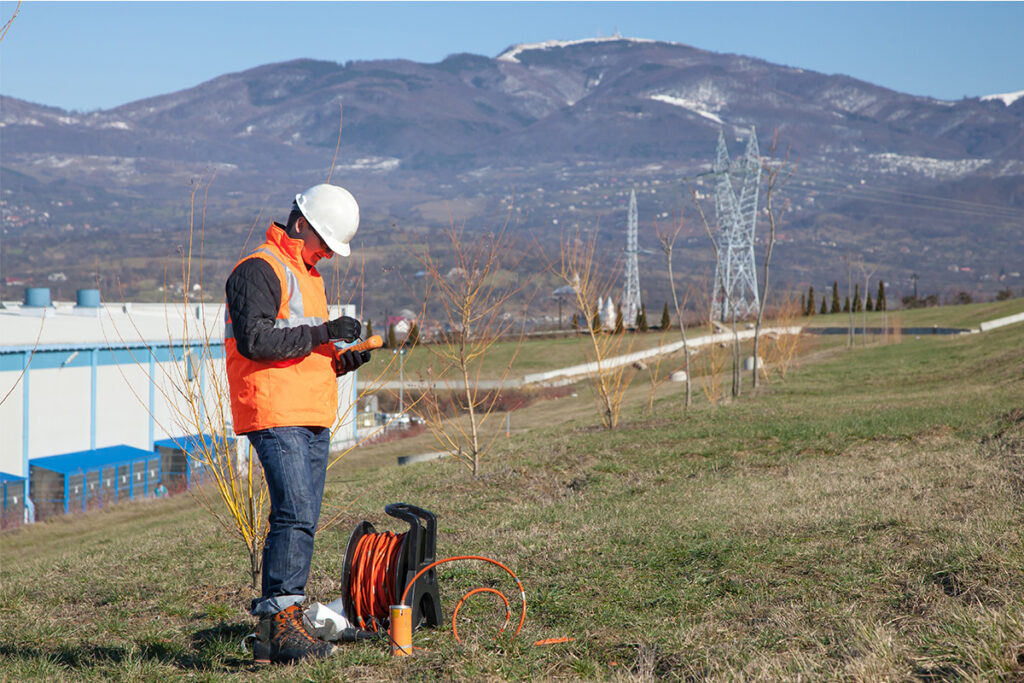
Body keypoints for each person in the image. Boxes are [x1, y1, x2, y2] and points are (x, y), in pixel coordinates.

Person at [224, 183, 372, 664]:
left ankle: (280, 631)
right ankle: (281, 623)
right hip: (274, 411)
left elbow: (310, 355)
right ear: (301, 223)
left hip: (310, 413)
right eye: (325, 243)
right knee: (293, 512)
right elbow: (256, 340)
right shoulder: (258, 269)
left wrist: (352, 355)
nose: (328, 254)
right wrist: (325, 331)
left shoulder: (308, 276)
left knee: (303, 517)